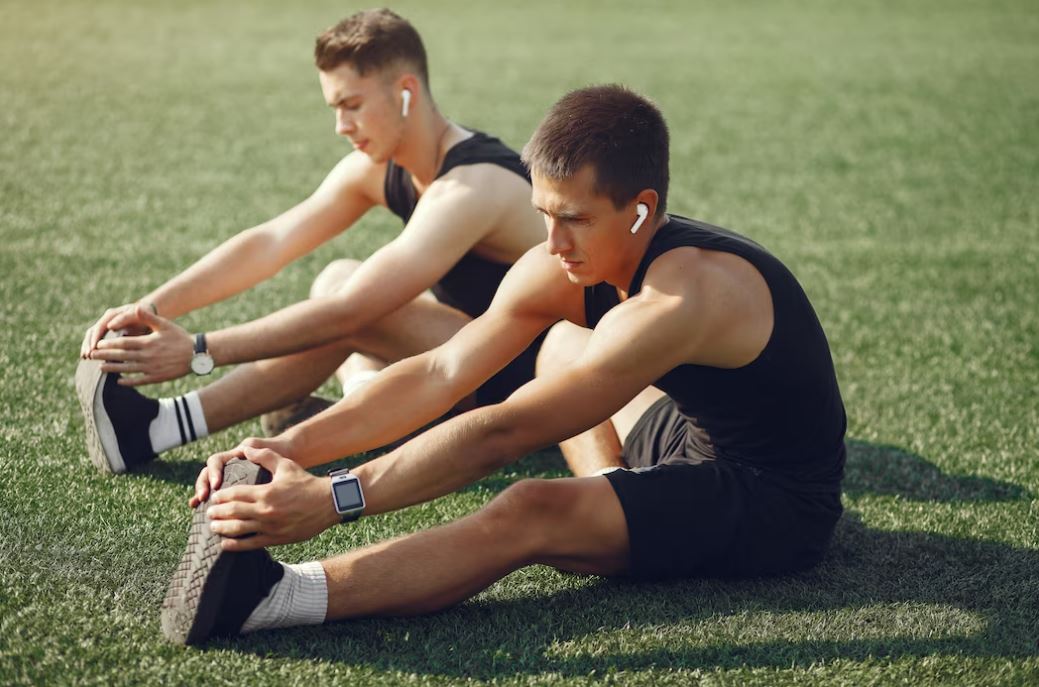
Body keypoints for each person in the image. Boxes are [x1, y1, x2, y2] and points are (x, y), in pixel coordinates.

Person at [160, 85, 847, 646]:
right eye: (543, 212)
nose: (552, 242)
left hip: (772, 497)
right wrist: (287, 446)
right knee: (561, 345)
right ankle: (622, 500)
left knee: (529, 506)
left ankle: (274, 596)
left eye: (573, 218)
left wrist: (332, 496)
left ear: (641, 211)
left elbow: (502, 433)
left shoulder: (684, 296)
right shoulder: (572, 257)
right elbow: (442, 371)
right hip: (691, 436)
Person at [75, 8, 544, 475]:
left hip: (528, 382)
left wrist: (199, 349)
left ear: (406, 93)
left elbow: (353, 312)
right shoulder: (386, 167)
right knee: (337, 274)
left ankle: (159, 429)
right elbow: (272, 241)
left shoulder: (471, 187)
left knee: (354, 301)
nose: (341, 126)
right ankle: (374, 410)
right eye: (334, 108)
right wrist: (152, 307)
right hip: (471, 353)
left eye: (352, 105)